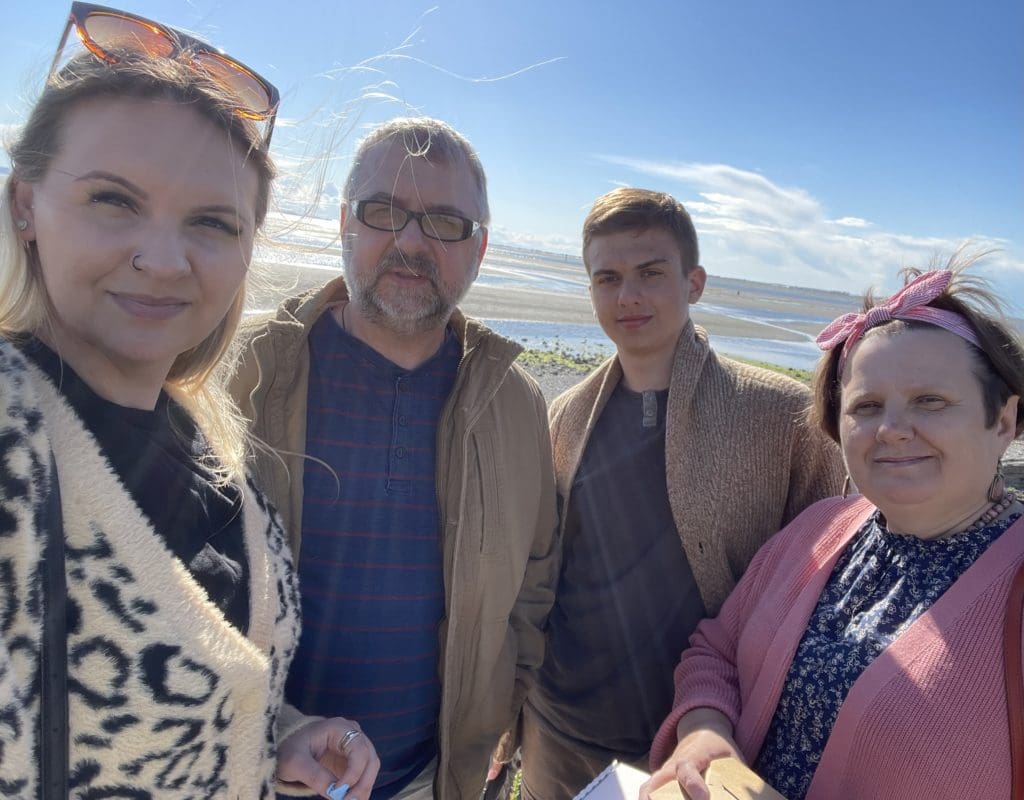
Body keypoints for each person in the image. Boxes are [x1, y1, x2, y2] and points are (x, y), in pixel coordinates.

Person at [0, 5, 377, 797]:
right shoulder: (14, 439)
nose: (165, 260)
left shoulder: (211, 445)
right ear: (25, 203)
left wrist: (282, 729)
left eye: (211, 221)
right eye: (113, 200)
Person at [231, 116, 559, 800]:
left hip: (434, 779)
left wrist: (498, 712)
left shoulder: (517, 404)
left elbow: (534, 582)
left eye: (444, 222)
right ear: (344, 223)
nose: (410, 241)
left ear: (480, 248)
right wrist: (268, 729)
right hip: (255, 771)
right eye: (384, 212)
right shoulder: (243, 371)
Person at [643, 262, 1024, 800]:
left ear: (1003, 421)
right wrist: (705, 732)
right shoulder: (821, 530)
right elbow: (717, 650)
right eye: (867, 406)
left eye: (930, 401)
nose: (891, 430)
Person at [517, 187, 844, 799]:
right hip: (559, 729)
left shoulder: (782, 416)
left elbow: (821, 590)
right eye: (607, 278)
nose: (628, 296)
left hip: (700, 743)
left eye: (650, 273)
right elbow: (541, 575)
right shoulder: (564, 416)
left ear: (693, 282)